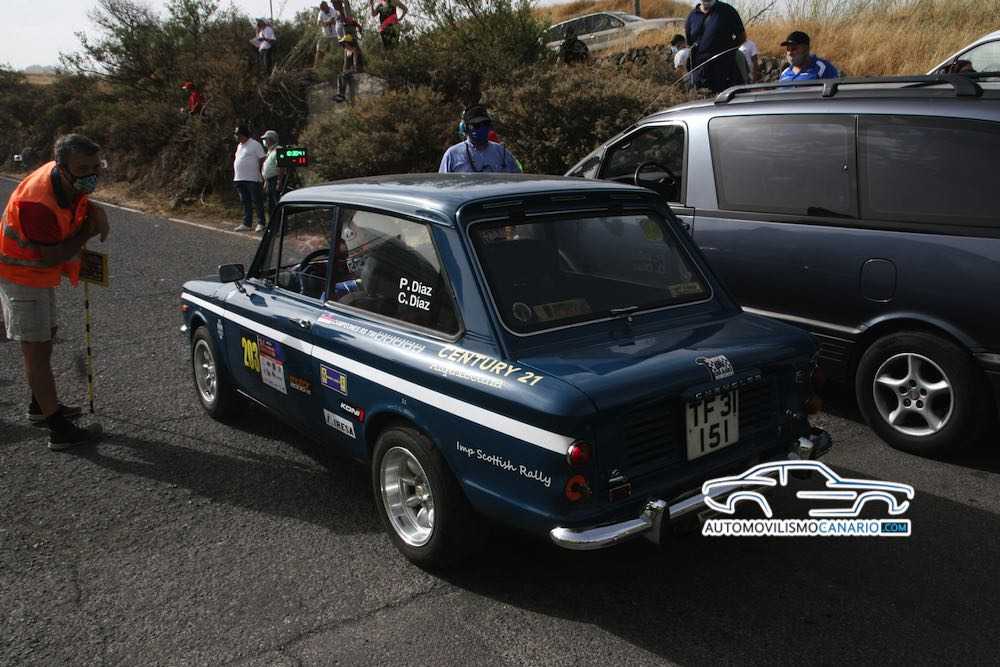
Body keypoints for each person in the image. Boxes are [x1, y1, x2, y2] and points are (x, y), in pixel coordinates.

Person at [0, 134, 109, 450]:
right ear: (62, 168)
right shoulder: (38, 203)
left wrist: (94, 209)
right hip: (21, 275)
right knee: (36, 350)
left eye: (95, 167)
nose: (91, 175)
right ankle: (58, 430)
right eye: (82, 169)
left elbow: (77, 203)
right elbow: (52, 256)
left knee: (47, 335)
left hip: (38, 274)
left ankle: (40, 405)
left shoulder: (64, 180)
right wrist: (87, 231)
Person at [685, 0, 746, 93]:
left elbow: (742, 37)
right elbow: (690, 43)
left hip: (724, 74)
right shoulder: (692, 16)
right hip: (700, 76)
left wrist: (727, 54)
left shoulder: (727, 11)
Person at [439, 105, 521, 174]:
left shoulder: (502, 153)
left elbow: (517, 181)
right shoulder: (452, 155)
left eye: (485, 124)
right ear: (465, 128)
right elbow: (444, 184)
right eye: (476, 125)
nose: (482, 128)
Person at [232, 126, 266, 232]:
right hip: (239, 178)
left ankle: (261, 222)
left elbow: (262, 158)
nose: (236, 137)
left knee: (257, 201)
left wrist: (258, 170)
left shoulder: (255, 144)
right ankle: (247, 223)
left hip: (252, 178)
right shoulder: (239, 146)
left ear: (244, 134)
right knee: (245, 201)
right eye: (236, 135)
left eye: (238, 135)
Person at [260, 130, 284, 226]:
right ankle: (272, 225)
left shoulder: (278, 149)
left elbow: (281, 167)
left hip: (275, 179)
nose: (264, 141)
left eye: (266, 139)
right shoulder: (270, 151)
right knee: (270, 204)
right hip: (269, 181)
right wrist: (266, 181)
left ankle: (279, 226)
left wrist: (279, 181)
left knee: (276, 203)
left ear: (271, 139)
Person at [332, 33, 364, 102]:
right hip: (351, 69)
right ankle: (340, 94)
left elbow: (356, 63)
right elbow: (345, 64)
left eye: (344, 43)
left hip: (357, 68)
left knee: (344, 75)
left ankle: (342, 95)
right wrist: (344, 71)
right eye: (343, 44)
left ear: (348, 43)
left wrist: (349, 71)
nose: (343, 45)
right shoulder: (346, 51)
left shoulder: (355, 50)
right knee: (340, 75)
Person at [315, 1, 338, 68]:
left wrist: (325, 23)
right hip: (325, 35)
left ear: (326, 6)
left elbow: (333, 21)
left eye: (323, 8)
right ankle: (317, 66)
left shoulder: (333, 11)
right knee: (319, 50)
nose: (323, 10)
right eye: (322, 9)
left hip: (334, 35)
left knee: (334, 51)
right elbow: (319, 23)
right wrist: (327, 22)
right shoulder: (321, 12)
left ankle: (334, 67)